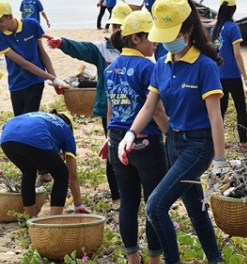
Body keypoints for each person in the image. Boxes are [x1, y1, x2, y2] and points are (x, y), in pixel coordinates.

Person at [119, 0, 225, 263]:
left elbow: (216, 117)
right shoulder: (161, 65)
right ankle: (215, 259)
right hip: (173, 141)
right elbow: (149, 107)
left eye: (172, 36)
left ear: (187, 31)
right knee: (195, 209)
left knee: (155, 207)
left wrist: (220, 161)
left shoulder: (205, 66)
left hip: (199, 145)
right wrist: (130, 133)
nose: (166, 42)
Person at [43, 2, 134, 209]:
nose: (117, 31)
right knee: (113, 148)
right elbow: (82, 48)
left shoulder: (139, 49)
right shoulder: (103, 49)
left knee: (136, 149)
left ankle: (134, 191)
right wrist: (62, 43)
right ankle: (116, 195)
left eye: (121, 27)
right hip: (111, 109)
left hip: (136, 109)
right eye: (114, 26)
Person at [103, 11, 167, 264]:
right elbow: (157, 109)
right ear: (137, 39)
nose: (156, 42)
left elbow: (110, 111)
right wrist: (173, 137)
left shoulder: (110, 70)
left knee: (128, 201)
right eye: (151, 37)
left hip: (118, 139)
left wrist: (110, 139)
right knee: (155, 202)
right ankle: (154, 259)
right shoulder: (147, 67)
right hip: (146, 141)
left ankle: (132, 257)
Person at [0, 111, 89, 216]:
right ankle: (53, 220)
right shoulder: (65, 128)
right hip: (34, 138)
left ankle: (30, 218)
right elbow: (72, 175)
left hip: (6, 138)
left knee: (28, 172)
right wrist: (78, 205)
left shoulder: (42, 116)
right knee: (62, 174)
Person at [0, 0, 70, 117]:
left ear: (10, 16)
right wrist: (52, 78)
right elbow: (23, 63)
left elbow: (42, 53)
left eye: (0, 21)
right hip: (16, 82)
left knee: (29, 118)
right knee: (19, 119)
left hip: (35, 80)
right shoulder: (1, 36)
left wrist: (55, 80)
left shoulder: (32, 25)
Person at [212, 0, 247, 152]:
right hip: (232, 75)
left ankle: (219, 142)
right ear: (233, 10)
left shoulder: (215, 28)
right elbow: (237, 54)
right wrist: (245, 77)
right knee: (240, 108)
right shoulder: (233, 28)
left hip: (218, 75)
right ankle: (243, 143)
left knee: (220, 110)